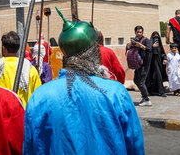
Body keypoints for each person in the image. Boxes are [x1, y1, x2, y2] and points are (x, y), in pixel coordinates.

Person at [23, 17, 144, 154]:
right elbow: (135, 146)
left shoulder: (40, 96)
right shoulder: (116, 93)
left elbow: (30, 147)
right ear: (93, 51)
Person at [0, 31, 41, 106]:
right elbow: (38, 95)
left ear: (4, 48)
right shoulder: (29, 68)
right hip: (25, 114)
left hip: (2, 114)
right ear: (18, 48)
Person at [126, 25, 152, 106]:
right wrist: (130, 44)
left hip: (144, 64)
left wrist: (140, 45)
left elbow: (149, 49)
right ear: (135, 32)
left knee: (141, 82)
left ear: (142, 32)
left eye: (140, 32)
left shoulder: (146, 40)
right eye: (137, 32)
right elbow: (127, 48)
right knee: (136, 80)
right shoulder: (134, 40)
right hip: (137, 64)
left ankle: (147, 100)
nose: (139, 33)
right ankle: (145, 96)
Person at [146, 31, 167, 95]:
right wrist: (152, 47)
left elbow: (162, 53)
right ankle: (152, 91)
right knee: (152, 77)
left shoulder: (159, 45)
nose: (156, 39)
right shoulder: (150, 44)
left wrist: (165, 58)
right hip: (151, 64)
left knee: (158, 76)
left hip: (159, 63)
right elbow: (147, 51)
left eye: (157, 37)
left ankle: (160, 91)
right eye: (154, 37)